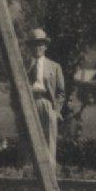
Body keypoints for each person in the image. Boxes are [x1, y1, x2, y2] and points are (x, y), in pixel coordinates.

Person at [26, 28, 67, 156]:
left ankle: (49, 172)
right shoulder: (24, 66)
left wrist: (56, 111)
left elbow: (61, 92)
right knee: (28, 141)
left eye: (40, 44)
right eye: (34, 44)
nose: (37, 47)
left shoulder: (54, 66)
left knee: (48, 142)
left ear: (45, 47)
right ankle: (27, 173)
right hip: (29, 105)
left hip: (47, 104)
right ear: (30, 47)